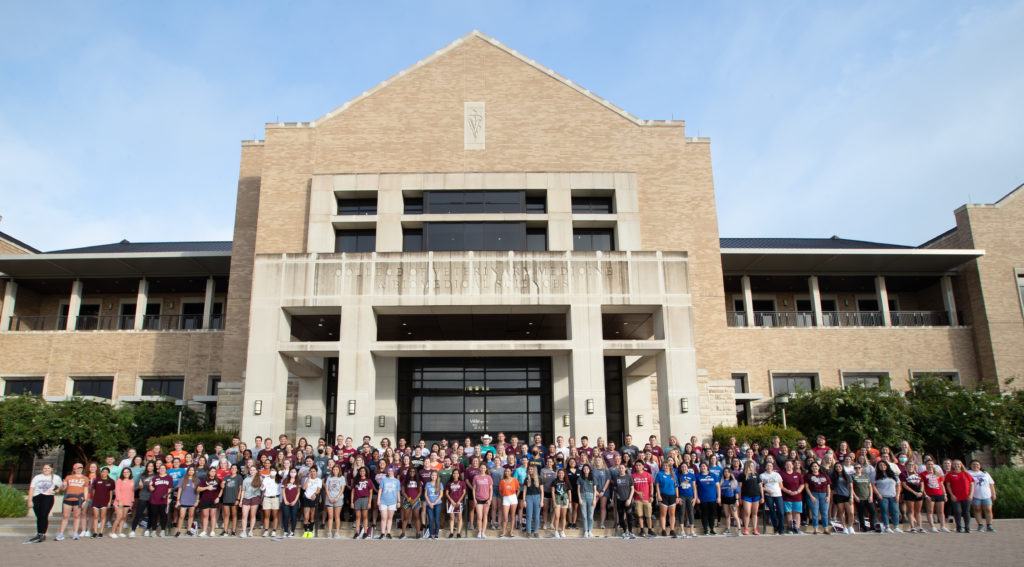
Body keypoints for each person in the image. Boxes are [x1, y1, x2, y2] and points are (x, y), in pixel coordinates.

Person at [26, 463, 62, 543]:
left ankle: (42, 534)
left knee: (44, 515)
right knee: (39, 516)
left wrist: (55, 490)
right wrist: (30, 500)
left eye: (48, 468)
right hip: (37, 497)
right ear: (42, 469)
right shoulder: (37, 477)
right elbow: (32, 488)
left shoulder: (56, 478)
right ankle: (39, 533)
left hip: (48, 497)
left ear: (52, 469)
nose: (46, 470)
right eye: (45, 468)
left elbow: (58, 489)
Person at [945, 459, 973, 533]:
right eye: (955, 464)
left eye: (958, 464)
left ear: (961, 465)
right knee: (957, 511)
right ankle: (959, 527)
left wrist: (971, 494)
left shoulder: (966, 473)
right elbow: (948, 486)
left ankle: (967, 527)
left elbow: (972, 484)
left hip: (966, 496)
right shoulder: (949, 474)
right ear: (952, 465)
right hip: (955, 497)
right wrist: (951, 495)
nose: (957, 466)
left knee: (966, 512)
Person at [968, 460, 996, 532]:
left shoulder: (985, 473)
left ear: (980, 465)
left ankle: (989, 525)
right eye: (973, 464)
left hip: (986, 495)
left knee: (988, 510)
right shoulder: (968, 473)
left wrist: (993, 493)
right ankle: (980, 525)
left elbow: (991, 484)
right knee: (977, 510)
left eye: (977, 464)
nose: (975, 466)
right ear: (970, 465)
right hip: (975, 495)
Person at [921, 460, 949, 533]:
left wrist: (945, 494)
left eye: (931, 464)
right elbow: (922, 486)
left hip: (939, 493)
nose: (930, 465)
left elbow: (942, 484)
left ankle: (943, 526)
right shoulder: (922, 474)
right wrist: (925, 495)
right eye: (928, 464)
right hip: (930, 494)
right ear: (925, 465)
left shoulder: (938, 474)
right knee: (930, 511)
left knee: (941, 511)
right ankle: (932, 526)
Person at [874, 460, 901, 533]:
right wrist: (878, 494)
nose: (882, 466)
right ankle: (887, 527)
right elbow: (873, 485)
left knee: (895, 511)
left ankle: (896, 526)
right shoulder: (876, 475)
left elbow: (898, 485)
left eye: (884, 465)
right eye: (880, 465)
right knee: (884, 511)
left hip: (893, 496)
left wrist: (898, 495)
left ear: (887, 466)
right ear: (878, 467)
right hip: (883, 496)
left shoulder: (893, 475)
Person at [805, 461, 831, 534]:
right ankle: (815, 529)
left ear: (819, 467)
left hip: (824, 495)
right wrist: (811, 496)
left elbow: (828, 486)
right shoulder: (808, 476)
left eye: (816, 466)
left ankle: (825, 529)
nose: (814, 467)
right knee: (815, 513)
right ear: (811, 468)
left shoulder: (824, 475)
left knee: (824, 513)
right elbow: (806, 487)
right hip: (813, 495)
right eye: (813, 466)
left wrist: (828, 496)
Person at [779, 460, 804, 534]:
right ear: (785, 466)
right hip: (787, 496)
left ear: (793, 466)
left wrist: (798, 491)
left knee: (797, 512)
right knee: (789, 512)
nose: (789, 466)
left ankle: (797, 528)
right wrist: (788, 491)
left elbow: (802, 484)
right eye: (787, 465)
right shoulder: (781, 474)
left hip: (797, 496)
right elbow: (781, 486)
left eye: (790, 465)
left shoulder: (798, 474)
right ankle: (790, 528)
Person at [195, 466, 221, 537]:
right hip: (205, 500)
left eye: (214, 471)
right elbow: (198, 489)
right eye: (212, 471)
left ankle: (212, 531)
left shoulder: (218, 480)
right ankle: (204, 531)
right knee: (205, 516)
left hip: (214, 500)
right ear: (209, 472)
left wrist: (218, 497)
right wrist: (207, 487)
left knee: (213, 516)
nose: (213, 473)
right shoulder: (204, 480)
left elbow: (222, 489)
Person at [148, 464, 173, 537]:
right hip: (154, 499)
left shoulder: (169, 477)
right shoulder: (155, 478)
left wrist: (168, 498)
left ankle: (163, 530)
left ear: (166, 469)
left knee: (163, 515)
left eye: (163, 468)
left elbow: (170, 488)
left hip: (164, 500)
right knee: (154, 515)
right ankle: (153, 531)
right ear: (158, 470)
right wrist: (150, 486)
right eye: (160, 468)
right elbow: (151, 488)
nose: (162, 469)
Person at [695, 462, 720, 536]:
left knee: (712, 515)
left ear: (707, 467)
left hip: (712, 498)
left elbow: (718, 487)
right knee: (704, 514)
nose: (703, 467)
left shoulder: (713, 475)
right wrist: (697, 498)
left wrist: (719, 497)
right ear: (700, 468)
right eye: (701, 466)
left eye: (704, 466)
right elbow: (695, 488)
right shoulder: (697, 476)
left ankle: (712, 529)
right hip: (702, 499)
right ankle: (706, 529)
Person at [655, 460, 679, 538]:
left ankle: (672, 530)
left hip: (672, 496)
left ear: (669, 467)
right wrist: (658, 495)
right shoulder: (660, 474)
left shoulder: (673, 475)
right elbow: (657, 486)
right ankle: (664, 530)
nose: (665, 467)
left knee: (672, 514)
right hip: (663, 496)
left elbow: (676, 487)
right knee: (663, 514)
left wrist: (677, 497)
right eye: (664, 466)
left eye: (667, 466)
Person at [759, 460, 784, 535]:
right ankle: (775, 529)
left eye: (770, 466)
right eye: (768, 466)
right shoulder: (762, 475)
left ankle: (781, 529)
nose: (769, 467)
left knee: (781, 512)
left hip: (778, 495)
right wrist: (767, 490)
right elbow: (760, 487)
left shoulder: (777, 474)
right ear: (765, 467)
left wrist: (777, 490)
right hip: (769, 496)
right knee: (772, 512)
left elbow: (781, 485)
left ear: (773, 467)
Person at [829, 462, 854, 534]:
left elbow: (851, 487)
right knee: (841, 512)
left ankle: (850, 526)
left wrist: (851, 496)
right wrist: (833, 491)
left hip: (847, 496)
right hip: (838, 496)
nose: (838, 468)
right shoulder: (833, 476)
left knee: (851, 512)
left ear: (842, 467)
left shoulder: (847, 476)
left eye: (839, 466)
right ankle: (844, 527)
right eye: (836, 467)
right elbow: (831, 486)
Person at [631, 461, 655, 538]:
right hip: (637, 499)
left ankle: (650, 530)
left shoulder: (648, 475)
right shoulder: (633, 476)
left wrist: (651, 496)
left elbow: (651, 486)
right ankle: (642, 530)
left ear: (642, 466)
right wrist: (637, 492)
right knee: (640, 516)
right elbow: (631, 487)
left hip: (647, 499)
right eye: (636, 465)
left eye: (639, 465)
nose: (638, 466)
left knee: (648, 515)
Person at [239, 465, 263, 538]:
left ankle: (251, 531)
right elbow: (243, 490)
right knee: (244, 515)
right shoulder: (246, 479)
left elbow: (263, 488)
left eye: (253, 470)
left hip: (255, 497)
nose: (252, 471)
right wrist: (241, 500)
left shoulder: (260, 478)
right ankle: (243, 531)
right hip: (246, 498)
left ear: (256, 471)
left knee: (252, 515)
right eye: (251, 470)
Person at [90, 467, 115, 538]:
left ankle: (100, 532)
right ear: (101, 472)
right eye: (103, 471)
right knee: (95, 517)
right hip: (96, 501)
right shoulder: (96, 480)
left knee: (103, 517)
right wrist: (93, 499)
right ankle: (95, 532)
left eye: (106, 472)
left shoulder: (111, 481)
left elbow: (111, 492)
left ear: (108, 473)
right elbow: (93, 491)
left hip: (105, 501)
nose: (104, 473)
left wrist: (109, 502)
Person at [173, 466, 198, 537]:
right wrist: (178, 500)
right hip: (183, 500)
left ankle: (189, 530)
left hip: (192, 500)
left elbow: (198, 491)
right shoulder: (183, 479)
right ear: (188, 471)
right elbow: (179, 490)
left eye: (192, 470)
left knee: (191, 516)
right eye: (190, 470)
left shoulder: (197, 480)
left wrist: (197, 500)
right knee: (181, 516)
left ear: (194, 472)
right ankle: (178, 531)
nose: (191, 471)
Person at [739, 460, 763, 535]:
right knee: (747, 512)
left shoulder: (756, 474)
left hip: (756, 496)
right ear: (747, 466)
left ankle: (755, 529)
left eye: (753, 466)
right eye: (750, 465)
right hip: (746, 496)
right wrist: (739, 498)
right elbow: (739, 487)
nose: (752, 467)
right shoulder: (742, 475)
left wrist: (762, 497)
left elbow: (760, 486)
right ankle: (746, 529)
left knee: (755, 513)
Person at [901, 460, 925, 533]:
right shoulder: (903, 474)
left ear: (914, 466)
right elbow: (904, 485)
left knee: (918, 511)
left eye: (912, 465)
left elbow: (922, 483)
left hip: (919, 494)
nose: (911, 466)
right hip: (909, 494)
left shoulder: (918, 474)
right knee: (910, 511)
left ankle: (920, 527)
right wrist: (914, 492)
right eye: (909, 465)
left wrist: (921, 491)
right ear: (906, 466)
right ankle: (912, 527)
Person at [377, 466, 400, 539]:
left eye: (392, 471)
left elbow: (397, 492)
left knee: (390, 518)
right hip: (383, 501)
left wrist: (398, 501)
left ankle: (388, 533)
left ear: (394, 471)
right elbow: (380, 490)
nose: (390, 472)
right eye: (389, 471)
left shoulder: (397, 481)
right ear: (387, 471)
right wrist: (378, 500)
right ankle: (383, 533)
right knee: (384, 518)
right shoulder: (384, 480)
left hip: (393, 501)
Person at [399, 462, 422, 539]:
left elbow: (420, 492)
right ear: (408, 472)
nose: (412, 473)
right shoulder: (405, 481)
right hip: (407, 501)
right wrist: (409, 500)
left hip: (416, 502)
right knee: (405, 518)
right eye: (410, 471)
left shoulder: (418, 481)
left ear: (415, 473)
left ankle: (418, 533)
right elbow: (403, 492)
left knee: (417, 517)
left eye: (413, 471)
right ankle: (403, 533)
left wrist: (414, 500)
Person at [110, 467, 134, 538]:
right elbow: (117, 491)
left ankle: (120, 532)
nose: (126, 473)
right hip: (119, 502)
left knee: (124, 517)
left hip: (128, 502)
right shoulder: (119, 480)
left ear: (130, 473)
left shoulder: (131, 480)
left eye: (128, 472)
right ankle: (112, 532)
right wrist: (119, 500)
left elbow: (132, 492)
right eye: (124, 472)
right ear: (122, 473)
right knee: (119, 517)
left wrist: (132, 502)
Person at [613, 463, 635, 539]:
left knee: (629, 516)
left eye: (622, 468)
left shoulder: (629, 477)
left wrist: (629, 499)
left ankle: (631, 532)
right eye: (620, 468)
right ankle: (625, 531)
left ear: (625, 469)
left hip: (627, 500)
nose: (621, 469)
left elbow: (632, 489)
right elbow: (615, 490)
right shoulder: (616, 478)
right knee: (621, 517)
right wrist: (614, 500)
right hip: (619, 501)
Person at [352, 466, 374, 539]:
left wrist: (369, 502)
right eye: (361, 471)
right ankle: (357, 532)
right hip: (357, 500)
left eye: (363, 471)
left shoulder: (369, 480)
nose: (362, 472)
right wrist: (352, 501)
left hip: (365, 499)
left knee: (365, 516)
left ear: (366, 472)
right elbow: (353, 491)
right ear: (359, 472)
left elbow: (371, 492)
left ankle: (365, 532)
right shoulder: (356, 480)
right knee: (358, 517)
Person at [324, 465, 346, 539]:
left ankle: (337, 532)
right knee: (330, 516)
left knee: (337, 516)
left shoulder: (342, 478)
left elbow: (342, 489)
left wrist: (337, 497)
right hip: (329, 498)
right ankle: (329, 532)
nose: (335, 471)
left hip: (338, 498)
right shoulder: (329, 477)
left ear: (339, 470)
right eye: (334, 469)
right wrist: (329, 497)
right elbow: (326, 488)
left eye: (337, 469)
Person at [521, 465, 544, 538]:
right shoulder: (526, 479)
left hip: (537, 497)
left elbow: (542, 491)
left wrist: (542, 501)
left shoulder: (539, 478)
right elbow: (524, 490)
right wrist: (524, 500)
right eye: (529, 469)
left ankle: (536, 531)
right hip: (529, 497)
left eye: (531, 469)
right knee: (529, 515)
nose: (530, 470)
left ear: (534, 470)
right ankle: (528, 531)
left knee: (536, 516)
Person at [472, 462, 493, 539]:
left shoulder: (489, 477)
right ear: (479, 468)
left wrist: (490, 499)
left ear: (486, 469)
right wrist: (474, 498)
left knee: (485, 516)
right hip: (478, 499)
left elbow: (491, 489)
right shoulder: (476, 477)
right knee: (479, 517)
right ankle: (479, 532)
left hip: (486, 499)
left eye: (484, 468)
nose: (483, 469)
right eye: (481, 468)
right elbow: (473, 489)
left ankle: (483, 532)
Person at [677, 461, 697, 538]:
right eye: (682, 467)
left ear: (687, 468)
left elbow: (694, 487)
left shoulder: (692, 475)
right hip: (682, 496)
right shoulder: (679, 476)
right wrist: (678, 497)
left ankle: (691, 531)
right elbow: (677, 488)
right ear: (681, 468)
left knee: (691, 512)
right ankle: (682, 531)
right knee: (682, 512)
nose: (684, 468)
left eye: (685, 466)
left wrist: (695, 497)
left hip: (690, 496)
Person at [498, 467, 520, 538]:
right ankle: (503, 531)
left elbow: (518, 489)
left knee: (513, 516)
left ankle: (511, 531)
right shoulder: (502, 481)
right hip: (505, 498)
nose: (507, 472)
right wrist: (503, 497)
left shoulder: (514, 480)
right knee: (505, 517)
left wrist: (516, 496)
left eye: (508, 471)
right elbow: (500, 491)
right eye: (506, 471)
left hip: (513, 498)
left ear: (511, 472)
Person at [220, 464, 241, 536]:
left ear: (237, 469)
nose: (233, 469)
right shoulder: (226, 477)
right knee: (226, 515)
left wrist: (238, 499)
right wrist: (222, 484)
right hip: (226, 498)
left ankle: (233, 531)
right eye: (232, 468)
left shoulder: (239, 477)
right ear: (230, 469)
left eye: (235, 468)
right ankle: (225, 531)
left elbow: (240, 489)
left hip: (234, 499)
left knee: (234, 515)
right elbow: (222, 486)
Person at [577, 464, 597, 538]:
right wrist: (579, 498)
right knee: (584, 515)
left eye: (587, 469)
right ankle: (585, 531)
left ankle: (590, 531)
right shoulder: (580, 478)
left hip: (591, 496)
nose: (586, 470)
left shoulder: (593, 478)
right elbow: (578, 490)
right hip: (582, 496)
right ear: (582, 470)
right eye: (584, 469)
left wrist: (594, 499)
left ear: (589, 470)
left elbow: (595, 490)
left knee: (591, 515)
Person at [280, 468, 301, 538]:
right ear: (289, 473)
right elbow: (283, 491)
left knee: (293, 517)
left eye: (294, 472)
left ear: (296, 473)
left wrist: (295, 501)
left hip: (294, 502)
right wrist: (285, 500)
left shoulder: (298, 481)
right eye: (291, 472)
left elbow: (298, 492)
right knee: (286, 516)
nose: (293, 473)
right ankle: (286, 531)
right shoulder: (285, 480)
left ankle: (292, 531)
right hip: (286, 501)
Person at [447, 468, 467, 538]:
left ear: (459, 475)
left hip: (459, 502)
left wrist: (459, 501)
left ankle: (458, 533)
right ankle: (451, 532)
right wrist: (451, 501)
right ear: (452, 474)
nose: (455, 474)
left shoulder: (462, 482)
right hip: (451, 502)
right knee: (452, 517)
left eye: (457, 473)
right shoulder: (449, 483)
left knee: (459, 517)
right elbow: (446, 493)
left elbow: (464, 493)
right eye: (454, 473)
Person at [719, 467, 740, 535]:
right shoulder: (722, 481)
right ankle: (728, 529)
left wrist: (737, 500)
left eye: (728, 472)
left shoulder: (734, 481)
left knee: (735, 515)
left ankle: (739, 529)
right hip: (725, 500)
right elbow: (720, 491)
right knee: (727, 515)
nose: (726, 473)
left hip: (732, 500)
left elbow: (736, 492)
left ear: (730, 473)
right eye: (725, 472)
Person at [551, 468, 570, 538]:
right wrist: (554, 501)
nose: (561, 474)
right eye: (560, 473)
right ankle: (556, 531)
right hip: (557, 498)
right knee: (557, 516)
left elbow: (569, 491)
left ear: (564, 474)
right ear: (558, 474)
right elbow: (553, 492)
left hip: (565, 499)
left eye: (562, 473)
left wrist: (570, 501)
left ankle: (562, 531)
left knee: (564, 516)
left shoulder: (566, 481)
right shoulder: (555, 481)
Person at [424, 470, 443, 539]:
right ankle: (431, 534)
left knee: (437, 519)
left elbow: (441, 495)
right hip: (429, 504)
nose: (433, 476)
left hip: (437, 504)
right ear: (430, 476)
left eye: (435, 475)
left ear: (437, 476)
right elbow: (425, 494)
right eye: (432, 475)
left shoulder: (439, 484)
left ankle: (436, 534)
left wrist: (434, 503)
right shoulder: (427, 484)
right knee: (430, 519)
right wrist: (429, 503)